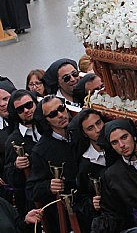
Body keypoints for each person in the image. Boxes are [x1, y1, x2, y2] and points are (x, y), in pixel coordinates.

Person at [27, 95, 78, 232]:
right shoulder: (41, 150)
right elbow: (32, 189)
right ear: (46, 121)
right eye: (53, 114)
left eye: (61, 109)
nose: (60, 115)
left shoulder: (79, 132)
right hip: (69, 213)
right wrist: (48, 186)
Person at [95, 119, 137, 232]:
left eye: (124, 137)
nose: (121, 145)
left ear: (133, 136)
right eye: (114, 142)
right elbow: (112, 213)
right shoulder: (112, 175)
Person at [68, 108, 108, 231]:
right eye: (90, 128)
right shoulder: (85, 164)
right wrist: (92, 204)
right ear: (85, 133)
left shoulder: (118, 147)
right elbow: (80, 199)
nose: (98, 130)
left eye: (99, 123)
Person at [4, 89, 40, 215]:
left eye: (29, 105)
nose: (26, 111)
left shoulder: (48, 127)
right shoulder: (14, 140)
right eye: (20, 109)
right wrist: (16, 166)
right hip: (33, 201)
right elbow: (8, 176)